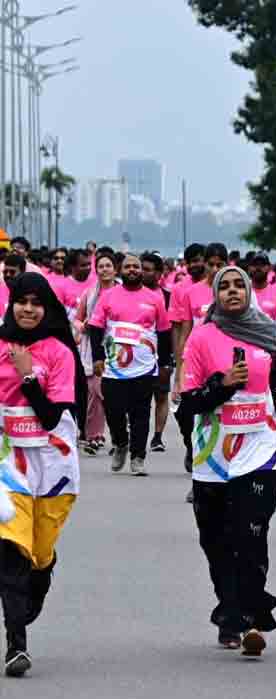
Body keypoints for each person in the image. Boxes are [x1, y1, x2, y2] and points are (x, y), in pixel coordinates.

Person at [178, 265, 276, 654]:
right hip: (214, 456)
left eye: (239, 284)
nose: (233, 290)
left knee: (251, 532)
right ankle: (233, 607)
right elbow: (187, 401)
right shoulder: (202, 337)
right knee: (217, 542)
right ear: (215, 295)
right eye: (224, 286)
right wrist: (222, 387)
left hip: (259, 449)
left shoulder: (270, 333)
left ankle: (246, 618)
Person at [0, 273, 87, 677]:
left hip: (53, 464)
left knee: (37, 554)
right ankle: (16, 644)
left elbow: (52, 417)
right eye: (22, 301)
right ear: (11, 304)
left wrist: (27, 374)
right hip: (8, 462)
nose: (29, 309)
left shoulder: (59, 352)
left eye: (37, 302)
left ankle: (42, 573)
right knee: (10, 551)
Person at [87, 254, 174, 476]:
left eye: (137, 267)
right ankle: (120, 443)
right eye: (128, 267)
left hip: (144, 367)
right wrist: (97, 358)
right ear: (120, 270)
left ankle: (138, 457)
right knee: (114, 411)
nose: (133, 270)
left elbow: (164, 332)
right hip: (113, 368)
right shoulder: (108, 296)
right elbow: (96, 327)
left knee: (141, 413)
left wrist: (165, 364)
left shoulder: (154, 298)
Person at [173, 243, 227, 474]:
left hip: (223, 362)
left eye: (219, 264)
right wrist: (179, 371)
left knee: (217, 416)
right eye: (211, 264)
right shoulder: (191, 292)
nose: (215, 269)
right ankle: (190, 446)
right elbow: (184, 332)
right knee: (186, 412)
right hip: (196, 362)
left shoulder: (232, 290)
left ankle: (206, 470)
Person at [74, 253, 118, 455]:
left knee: (111, 395)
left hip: (116, 349)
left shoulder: (122, 293)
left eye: (108, 265)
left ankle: (119, 436)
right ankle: (94, 436)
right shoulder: (89, 294)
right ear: (96, 269)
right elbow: (77, 319)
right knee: (94, 393)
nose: (105, 269)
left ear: (115, 269)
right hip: (91, 348)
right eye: (101, 266)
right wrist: (82, 326)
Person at [139, 253, 175, 454]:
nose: (143, 273)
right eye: (141, 268)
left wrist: (170, 358)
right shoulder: (130, 295)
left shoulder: (168, 297)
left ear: (159, 273)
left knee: (161, 396)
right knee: (138, 399)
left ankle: (158, 437)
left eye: (148, 269)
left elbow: (172, 329)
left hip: (162, 357)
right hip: (136, 357)